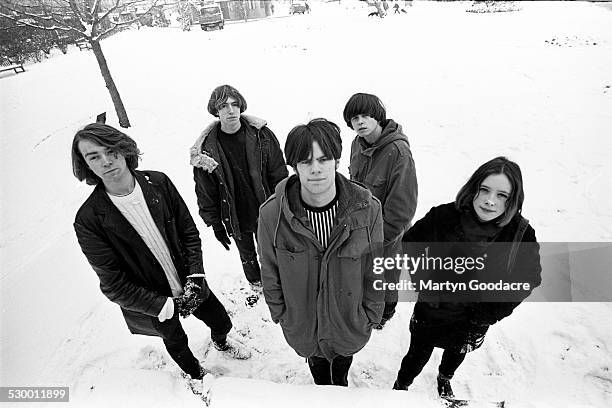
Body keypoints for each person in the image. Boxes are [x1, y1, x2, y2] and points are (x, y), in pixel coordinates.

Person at [73, 124, 250, 381]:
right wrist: (161, 305)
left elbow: (188, 233)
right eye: (94, 156)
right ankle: (196, 373)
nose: (106, 161)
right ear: (85, 165)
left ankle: (221, 342)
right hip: (153, 302)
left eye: (110, 151)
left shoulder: (159, 182)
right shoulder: (88, 219)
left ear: (123, 149)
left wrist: (196, 274)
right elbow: (113, 284)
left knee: (222, 322)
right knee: (176, 341)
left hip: (190, 282)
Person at [393, 157, 542, 397]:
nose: (490, 201)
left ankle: (444, 378)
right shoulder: (443, 217)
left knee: (456, 351)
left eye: (502, 195)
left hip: (472, 318)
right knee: (417, 353)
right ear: (474, 188)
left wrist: (489, 313)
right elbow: (412, 243)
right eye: (484, 189)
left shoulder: (519, 234)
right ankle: (401, 386)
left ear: (513, 200)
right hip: (433, 309)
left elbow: (528, 278)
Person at [258, 119, 385, 386]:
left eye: (323, 159)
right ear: (294, 167)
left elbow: (376, 267)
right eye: (305, 162)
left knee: (340, 371)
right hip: (304, 328)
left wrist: (370, 314)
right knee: (318, 374)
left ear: (337, 161)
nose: (315, 169)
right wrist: (283, 316)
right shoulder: (271, 214)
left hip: (349, 323)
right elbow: (269, 271)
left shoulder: (368, 208)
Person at [191, 85, 288, 306]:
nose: (231, 110)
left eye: (235, 104)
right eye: (223, 106)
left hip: (267, 210)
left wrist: (284, 205)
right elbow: (205, 190)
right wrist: (215, 223)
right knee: (247, 256)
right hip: (235, 215)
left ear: (241, 106)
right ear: (215, 110)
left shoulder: (261, 135)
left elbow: (279, 173)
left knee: (272, 253)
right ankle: (257, 286)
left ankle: (278, 286)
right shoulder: (206, 149)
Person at [343, 93, 418, 329]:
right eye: (355, 118)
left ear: (378, 116)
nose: (361, 122)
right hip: (361, 227)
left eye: (366, 116)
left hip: (387, 236)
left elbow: (402, 209)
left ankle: (386, 313)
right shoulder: (358, 143)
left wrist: (378, 239)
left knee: (386, 277)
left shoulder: (398, 152)